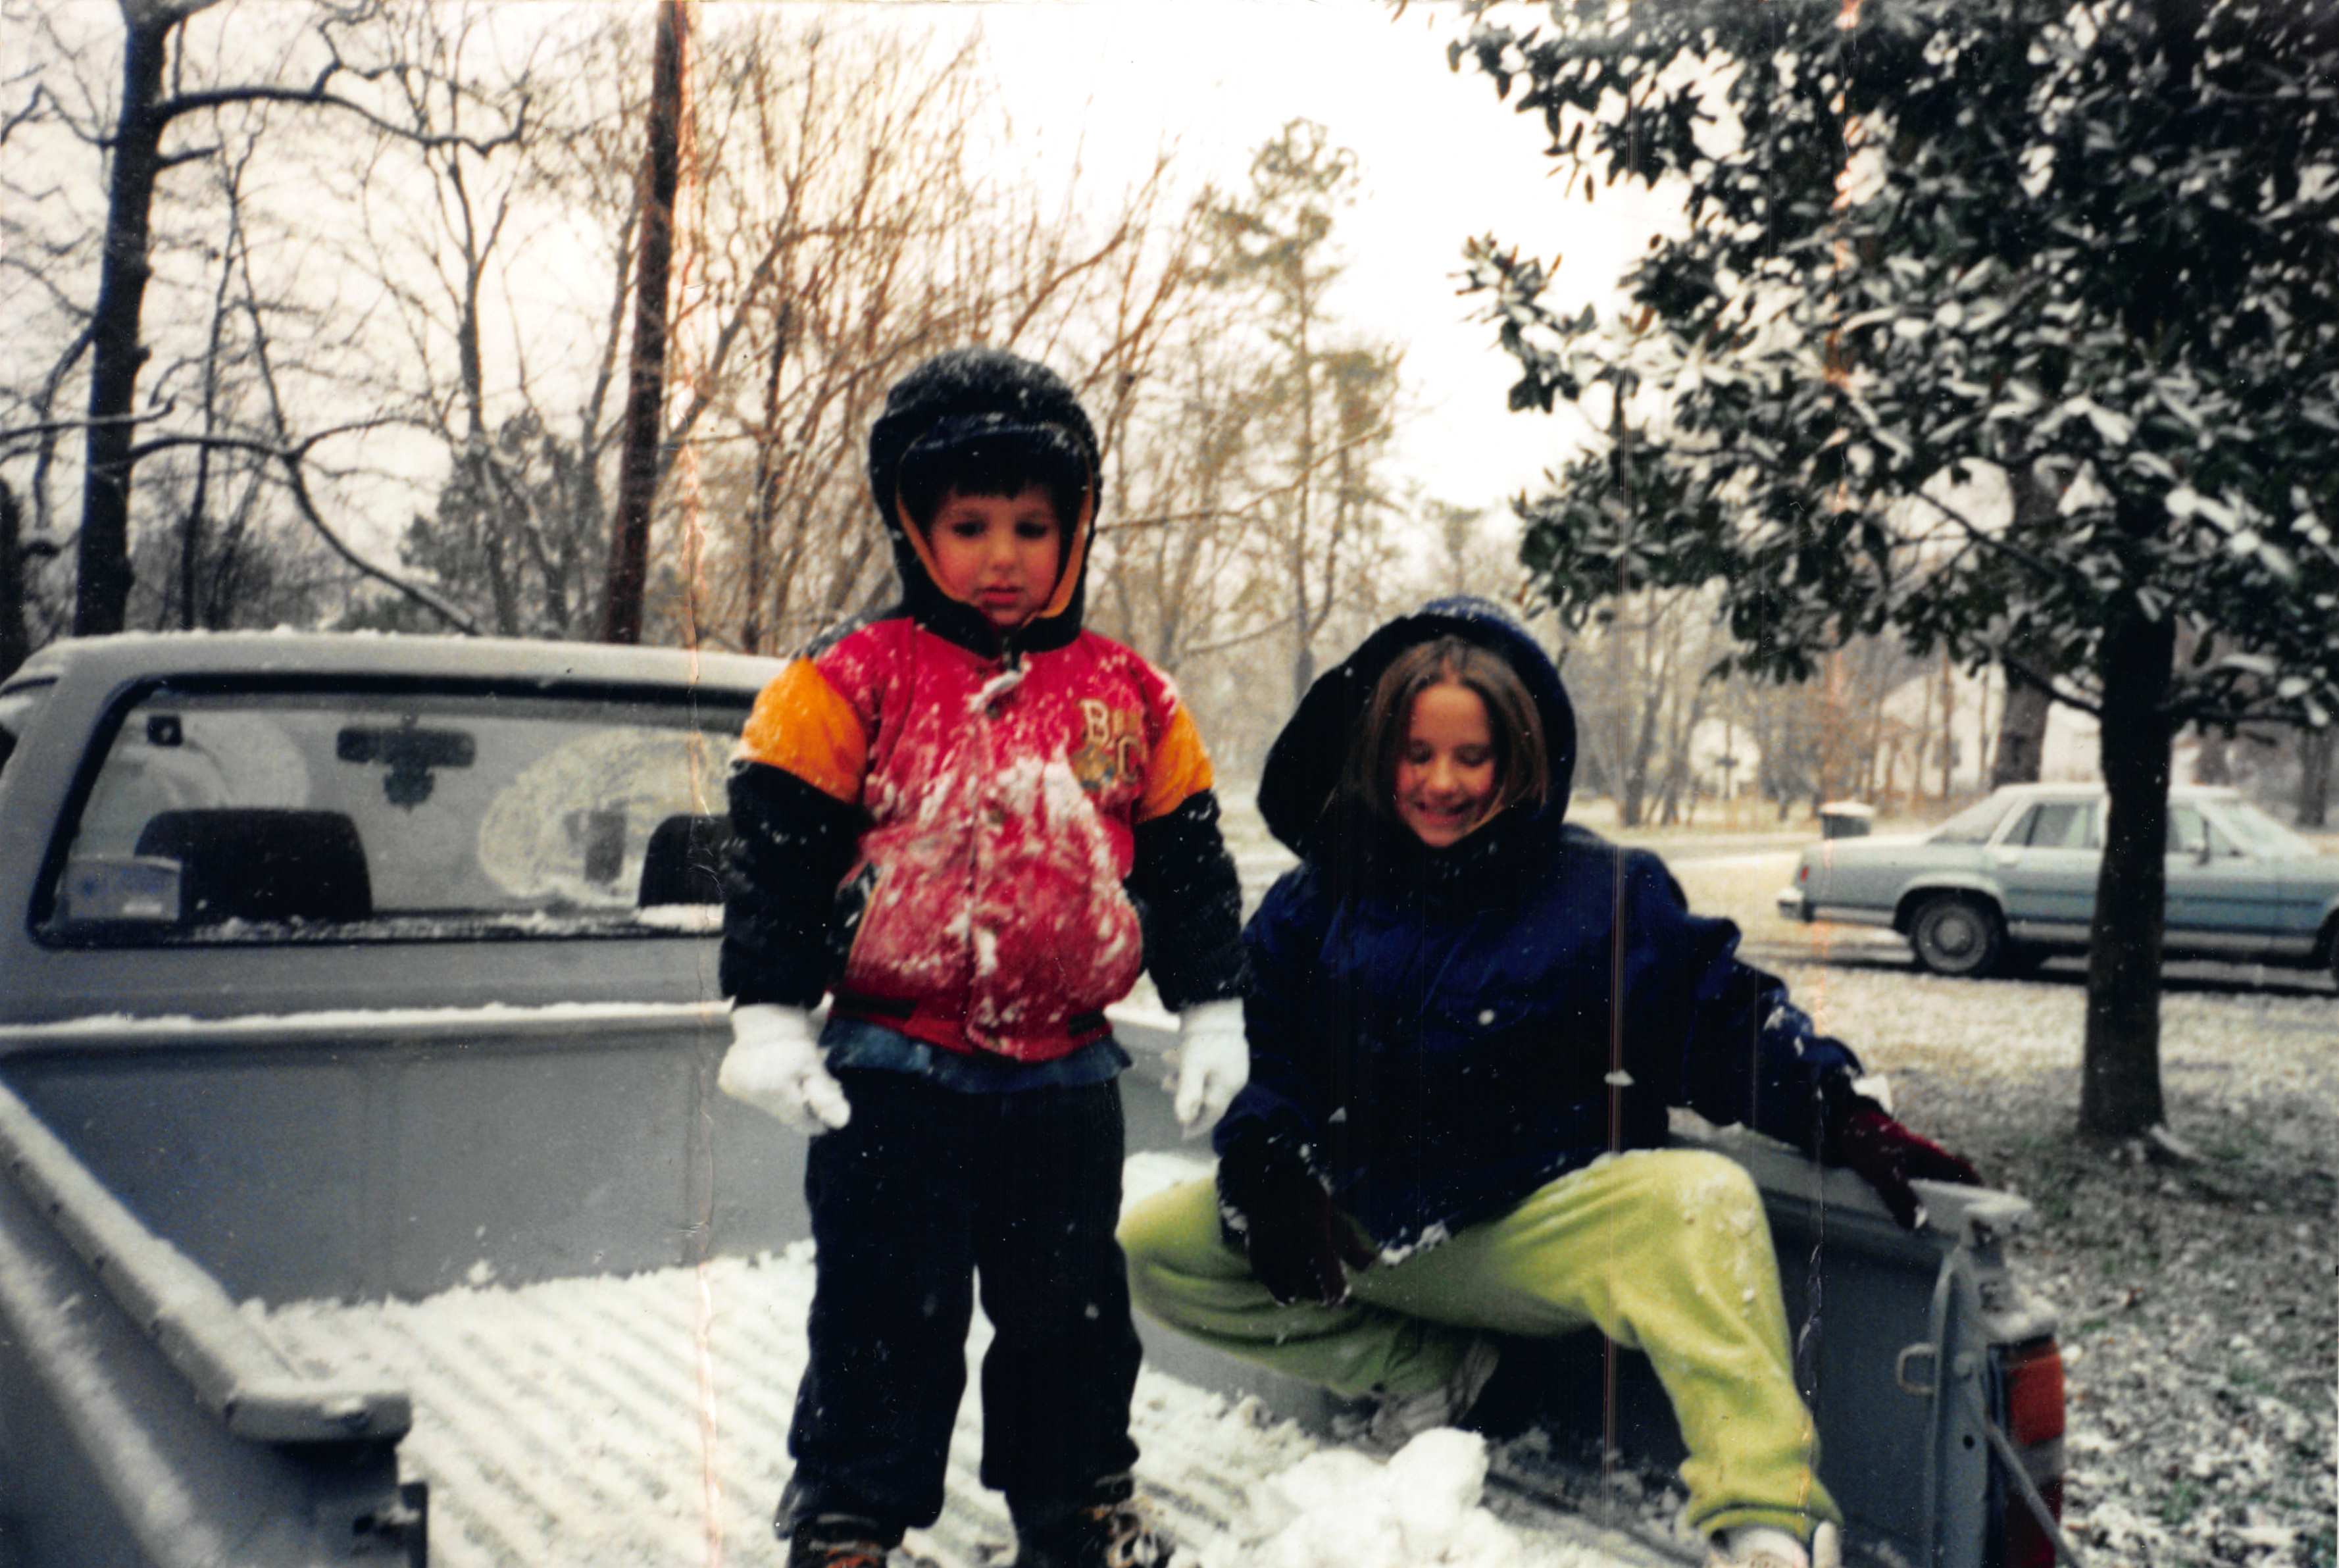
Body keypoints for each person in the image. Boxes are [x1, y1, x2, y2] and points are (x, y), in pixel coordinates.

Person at [1119, 597, 1982, 1568]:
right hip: (1362, 1221)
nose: (1441, 783)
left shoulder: (1599, 894)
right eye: (1415, 754)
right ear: (1377, 753)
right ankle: (1427, 1371)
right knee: (1152, 1246)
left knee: (1701, 1195)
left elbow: (1718, 1020)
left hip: (1527, 1231)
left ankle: (1766, 1518)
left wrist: (1840, 1111)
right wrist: (1271, 1161)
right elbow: (1264, 1052)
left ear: (1519, 759)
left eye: (1472, 756)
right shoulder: (1314, 901)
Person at [718, 347, 1251, 1568]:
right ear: (915, 528)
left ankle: (1078, 1506)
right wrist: (769, 1013)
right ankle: (848, 1515)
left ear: (1076, 531)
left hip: (1066, 1075)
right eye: (969, 526)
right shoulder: (846, 681)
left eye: (1031, 527)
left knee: (1071, 1313)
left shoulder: (1132, 698)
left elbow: (1188, 867)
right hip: (892, 1064)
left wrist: (1214, 1006)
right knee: (882, 1309)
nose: (1002, 556)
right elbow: (777, 856)